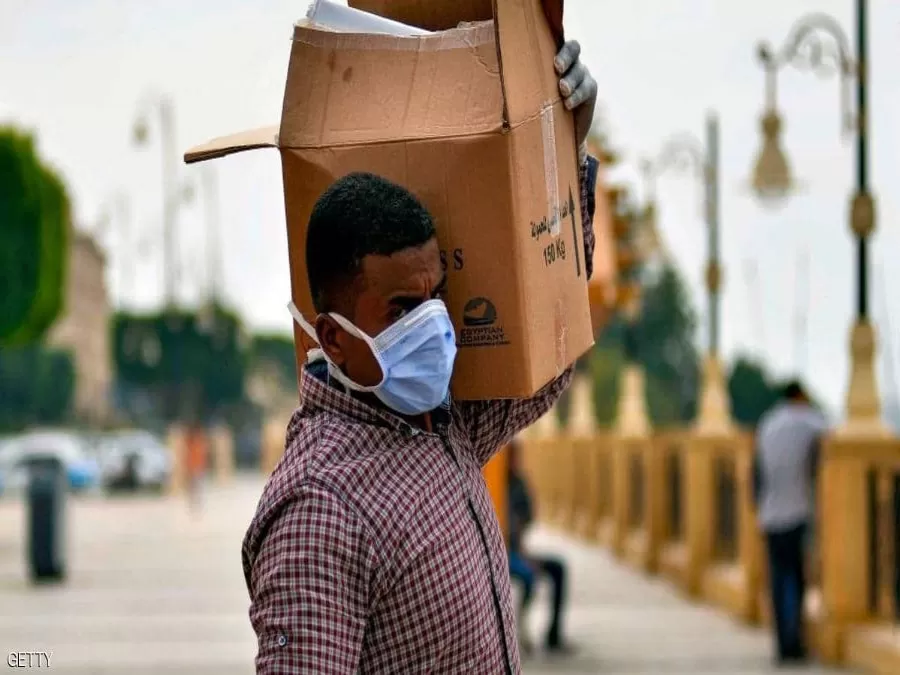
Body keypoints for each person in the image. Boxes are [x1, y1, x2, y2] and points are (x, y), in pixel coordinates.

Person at [241, 41, 598, 674]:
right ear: (334, 337)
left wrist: (566, 152)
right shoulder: (321, 509)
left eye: (438, 296)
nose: (434, 325)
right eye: (405, 308)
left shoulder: (439, 429)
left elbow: (547, 365)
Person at [753, 379, 828, 666]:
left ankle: (782, 644)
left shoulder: (768, 423)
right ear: (800, 396)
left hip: (770, 515)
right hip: (795, 512)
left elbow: (756, 471)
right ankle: (793, 642)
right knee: (795, 581)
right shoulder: (807, 421)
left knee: (777, 580)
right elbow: (833, 437)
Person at [506, 438, 572, 657]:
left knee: (558, 568)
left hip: (517, 551)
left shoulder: (518, 483)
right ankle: (516, 633)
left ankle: (553, 635)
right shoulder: (491, 481)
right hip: (501, 554)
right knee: (527, 576)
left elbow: (528, 517)